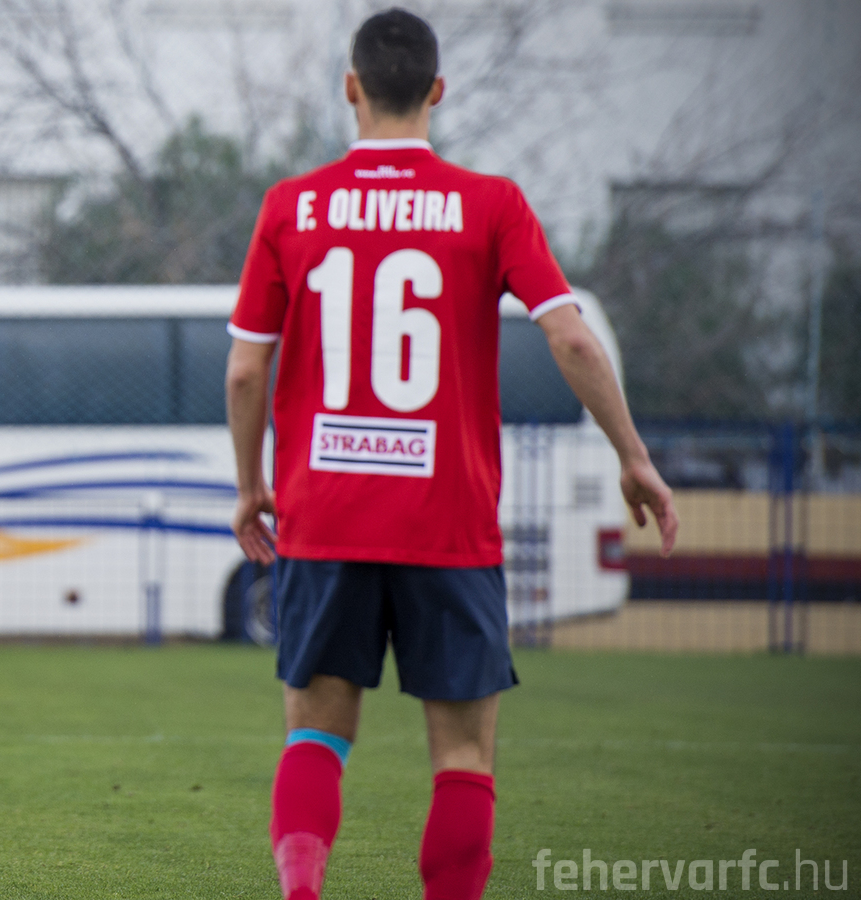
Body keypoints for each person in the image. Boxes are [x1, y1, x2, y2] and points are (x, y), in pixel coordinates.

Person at [224, 10, 680, 900]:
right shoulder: (492, 204)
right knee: (463, 755)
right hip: (450, 524)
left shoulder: (291, 206)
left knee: (315, 734)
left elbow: (246, 369)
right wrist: (633, 456)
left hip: (326, 516)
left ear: (351, 88)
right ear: (437, 90)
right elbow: (572, 339)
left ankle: (302, 887)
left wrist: (252, 486)